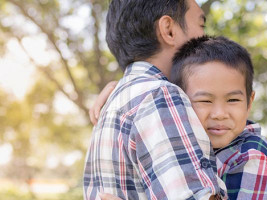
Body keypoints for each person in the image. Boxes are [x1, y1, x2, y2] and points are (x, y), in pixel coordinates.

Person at [83, 0, 227, 199]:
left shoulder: (114, 102)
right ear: (169, 30)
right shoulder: (160, 96)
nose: (206, 39)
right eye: (201, 26)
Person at [170, 35, 267, 199]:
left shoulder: (252, 158)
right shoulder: (185, 146)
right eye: (205, 100)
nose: (220, 114)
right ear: (180, 102)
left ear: (249, 102)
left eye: (233, 100)